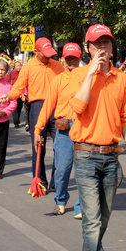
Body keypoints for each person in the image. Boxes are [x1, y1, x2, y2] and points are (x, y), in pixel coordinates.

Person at [65, 24, 126, 251]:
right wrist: (91, 74)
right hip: (84, 153)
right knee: (92, 217)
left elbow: (125, 118)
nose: (103, 48)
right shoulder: (78, 75)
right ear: (87, 48)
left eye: (106, 43)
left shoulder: (122, 79)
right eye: (97, 44)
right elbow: (77, 107)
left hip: (110, 156)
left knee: (103, 217)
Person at [0, 37, 64, 190]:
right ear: (36, 52)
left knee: (60, 146)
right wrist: (8, 96)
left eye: (50, 53)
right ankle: (40, 181)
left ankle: (57, 182)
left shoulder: (58, 66)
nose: (48, 56)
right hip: (37, 106)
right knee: (38, 146)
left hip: (57, 107)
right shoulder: (28, 67)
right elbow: (18, 88)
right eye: (45, 54)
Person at [34, 42, 83, 216]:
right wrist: (38, 129)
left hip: (84, 129)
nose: (71, 61)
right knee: (62, 170)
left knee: (83, 172)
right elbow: (47, 107)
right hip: (63, 131)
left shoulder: (87, 78)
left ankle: (80, 206)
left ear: (80, 58)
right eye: (68, 58)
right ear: (63, 59)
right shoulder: (58, 80)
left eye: (74, 58)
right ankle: (60, 200)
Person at [8, 60, 24, 128]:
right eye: (17, 66)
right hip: (14, 93)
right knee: (15, 108)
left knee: (19, 107)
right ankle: (16, 122)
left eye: (20, 65)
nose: (19, 67)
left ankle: (17, 120)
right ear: (14, 67)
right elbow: (6, 82)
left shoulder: (23, 73)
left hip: (21, 93)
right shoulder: (11, 74)